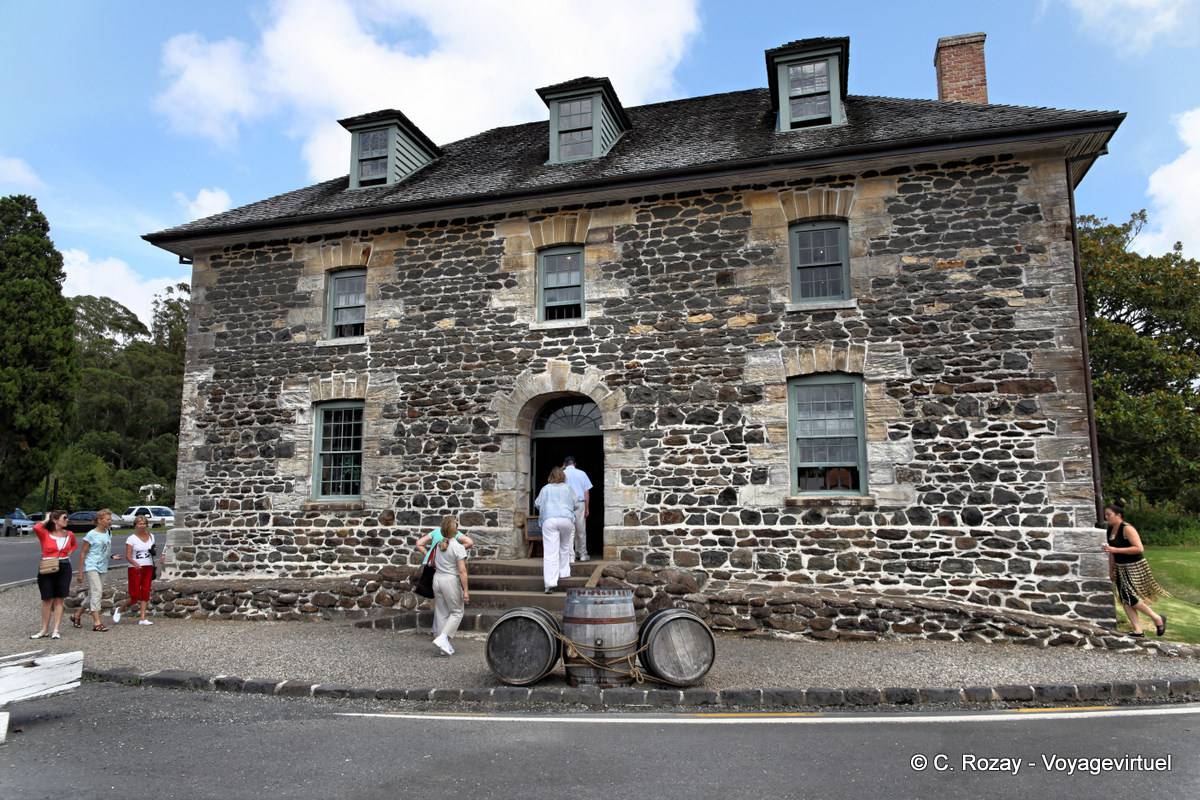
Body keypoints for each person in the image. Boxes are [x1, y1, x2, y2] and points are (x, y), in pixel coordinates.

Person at [1101, 499, 1169, 638]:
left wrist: (1115, 549)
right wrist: (1111, 570)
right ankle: (1138, 630)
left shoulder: (1127, 528)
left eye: (1109, 514)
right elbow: (1111, 552)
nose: (1106, 517)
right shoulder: (1109, 530)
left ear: (1118, 515)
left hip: (1134, 567)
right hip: (1120, 568)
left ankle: (1157, 618)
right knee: (1124, 599)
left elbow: (1139, 548)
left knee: (1130, 597)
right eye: (1105, 515)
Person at [421, 516, 469, 656]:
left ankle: (443, 647)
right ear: (456, 530)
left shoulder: (438, 545)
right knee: (457, 612)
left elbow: (433, 563)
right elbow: (462, 571)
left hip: (437, 579)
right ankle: (443, 639)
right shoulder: (458, 547)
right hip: (450, 580)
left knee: (442, 613)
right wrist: (466, 591)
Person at [70, 509, 122, 631]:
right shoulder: (91, 534)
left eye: (110, 519)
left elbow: (104, 549)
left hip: (103, 566)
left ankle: (77, 615)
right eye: (107, 519)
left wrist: (111, 556)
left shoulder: (108, 532)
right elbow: (83, 553)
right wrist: (80, 572)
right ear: (99, 520)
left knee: (93, 593)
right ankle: (97, 623)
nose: (110, 521)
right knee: (97, 592)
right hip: (91, 566)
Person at [31, 511, 77, 640]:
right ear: (55, 520)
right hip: (47, 567)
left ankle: (56, 629)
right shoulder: (45, 533)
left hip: (64, 567)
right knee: (47, 599)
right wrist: (47, 518)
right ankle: (44, 629)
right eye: (64, 518)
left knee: (59, 599)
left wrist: (69, 552)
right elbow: (36, 527)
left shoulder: (69, 534)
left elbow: (74, 545)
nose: (67, 520)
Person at [533, 466, 577, 593]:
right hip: (566, 519)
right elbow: (575, 503)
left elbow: (537, 504)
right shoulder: (568, 488)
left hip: (549, 519)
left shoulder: (545, 489)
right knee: (564, 546)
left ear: (551, 476)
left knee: (550, 552)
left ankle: (550, 583)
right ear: (563, 476)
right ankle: (564, 572)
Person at [117, 516, 163, 626]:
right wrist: (135, 564)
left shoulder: (151, 536)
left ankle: (142, 618)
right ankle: (120, 609)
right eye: (140, 523)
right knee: (135, 595)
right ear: (135, 525)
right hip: (135, 567)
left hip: (148, 566)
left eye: (144, 523)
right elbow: (128, 556)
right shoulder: (131, 538)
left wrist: (156, 553)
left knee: (145, 591)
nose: (142, 525)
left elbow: (153, 550)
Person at [562, 456, 594, 562]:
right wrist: (587, 508)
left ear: (565, 464)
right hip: (580, 503)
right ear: (575, 464)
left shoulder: (562, 474)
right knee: (581, 530)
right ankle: (582, 554)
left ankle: (570, 555)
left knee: (569, 530)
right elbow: (586, 492)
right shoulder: (582, 473)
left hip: (566, 504)